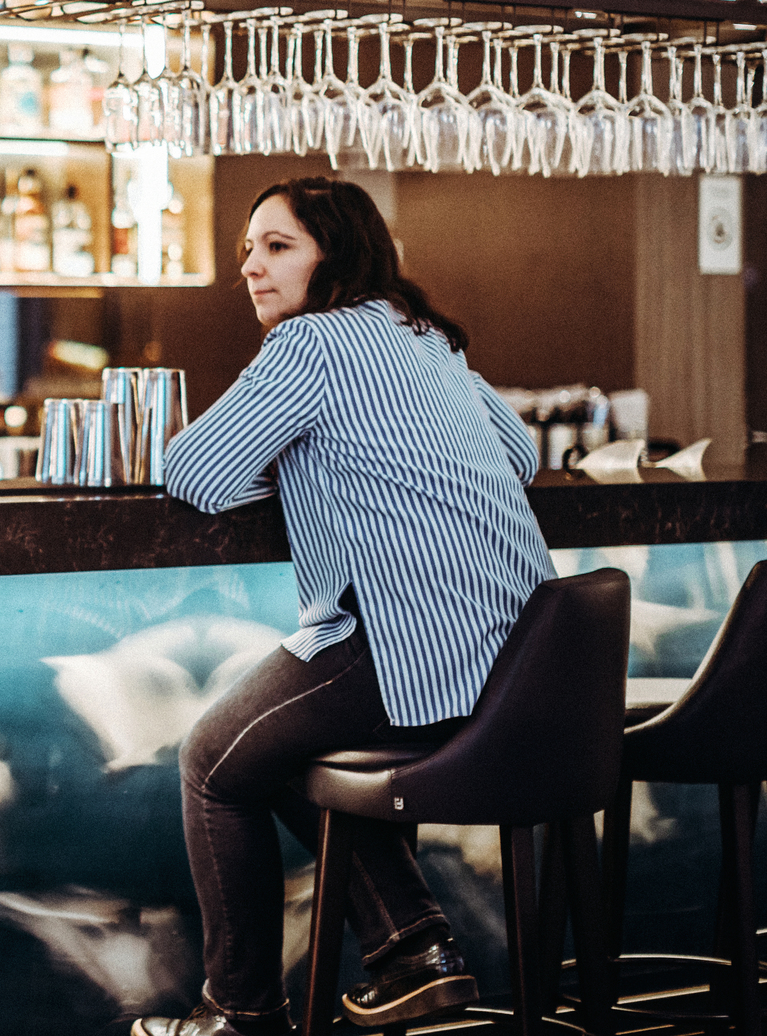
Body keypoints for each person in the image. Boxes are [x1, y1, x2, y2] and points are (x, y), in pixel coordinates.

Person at [134, 178, 552, 1036]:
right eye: (247, 250)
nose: (250, 268)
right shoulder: (425, 336)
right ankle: (412, 949)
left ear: (339, 253)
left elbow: (196, 472)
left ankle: (241, 1013)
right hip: (519, 662)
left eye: (277, 246)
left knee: (212, 759)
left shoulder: (310, 342)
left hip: (408, 637)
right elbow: (521, 454)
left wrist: (294, 456)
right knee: (270, 746)